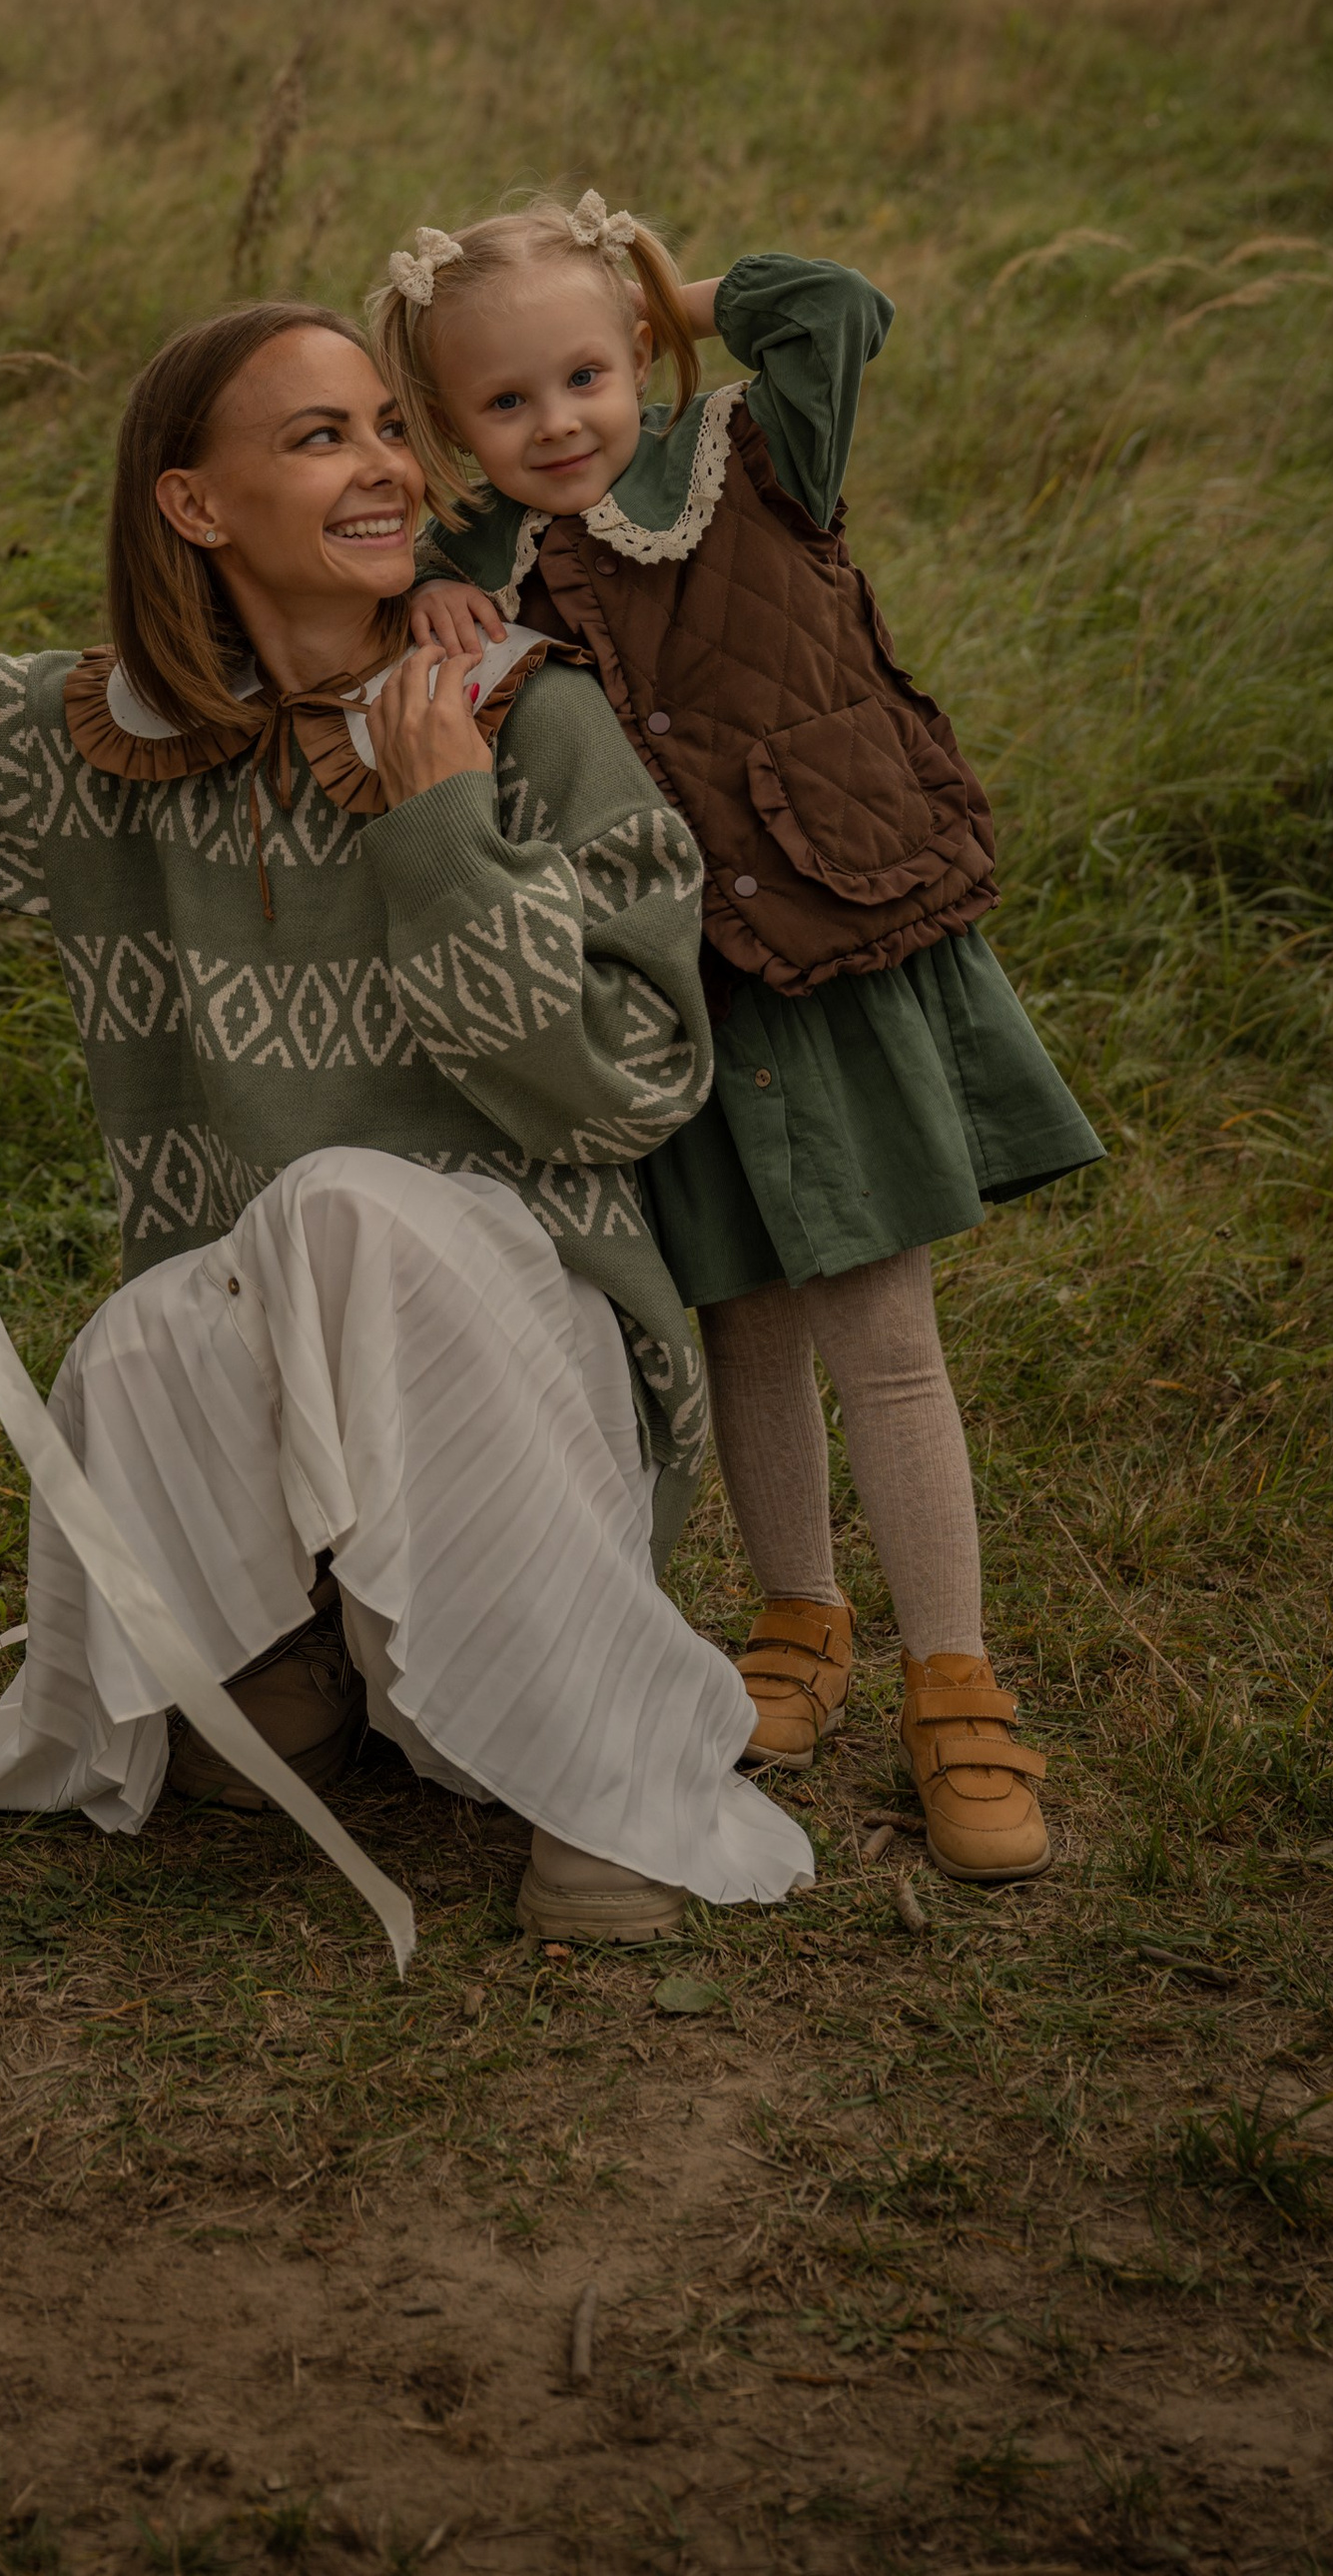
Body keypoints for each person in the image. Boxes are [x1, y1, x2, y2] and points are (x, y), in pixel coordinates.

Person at [0, 305, 811, 1945]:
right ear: (194, 505)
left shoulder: (529, 720)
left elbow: (627, 1084)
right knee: (133, 1336)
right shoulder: (110, 747)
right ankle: (288, 1664)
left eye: (389, 427)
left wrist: (442, 828)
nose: (389, 465)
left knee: (344, 1206)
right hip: (266, 1348)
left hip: (531, 1372)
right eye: (321, 437)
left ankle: (596, 1765)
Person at [372, 200, 1102, 1884]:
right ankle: (797, 1620)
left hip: (830, 958)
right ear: (450, 429)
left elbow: (839, 302)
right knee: (743, 1323)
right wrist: (425, 586)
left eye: (586, 373)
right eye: (505, 403)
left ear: (640, 356)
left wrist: (663, 292)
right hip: (673, 998)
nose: (558, 423)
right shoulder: (481, 565)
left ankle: (957, 1681)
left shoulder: (755, 450)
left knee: (881, 1330)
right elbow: (423, 614)